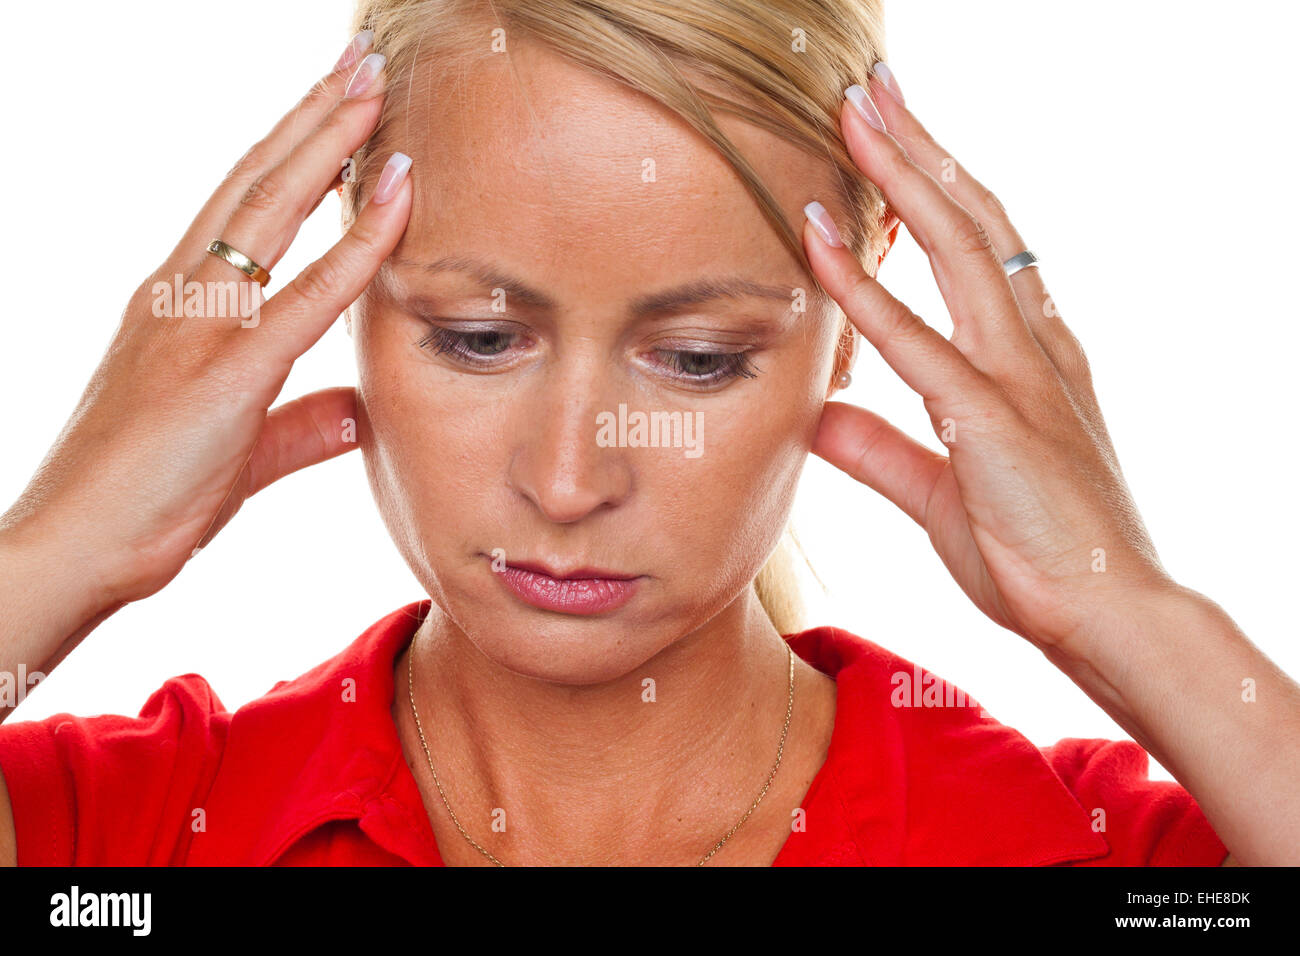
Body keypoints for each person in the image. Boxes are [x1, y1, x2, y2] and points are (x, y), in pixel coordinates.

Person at [0, 0, 1293, 866]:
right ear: (343, 282)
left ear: (853, 319)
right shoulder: (114, 836)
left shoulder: (1060, 845)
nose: (567, 481)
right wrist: (54, 550)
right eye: (476, 337)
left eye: (697, 360)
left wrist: (1123, 607)